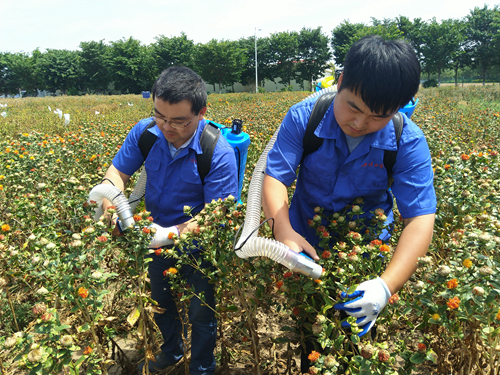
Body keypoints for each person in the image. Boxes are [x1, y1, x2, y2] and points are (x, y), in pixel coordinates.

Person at [262, 35, 436, 371]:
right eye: (352, 107)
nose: (358, 123)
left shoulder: (407, 141)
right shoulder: (304, 118)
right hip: (305, 245)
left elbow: (420, 218)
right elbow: (275, 178)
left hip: (366, 254)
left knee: (358, 341)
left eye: (377, 116)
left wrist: (385, 286)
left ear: (398, 108)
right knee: (310, 333)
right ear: (341, 82)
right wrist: (282, 230)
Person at [100, 66, 238, 375]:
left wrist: (168, 234)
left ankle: (202, 366)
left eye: (178, 121)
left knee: (201, 312)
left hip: (199, 246)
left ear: (201, 112)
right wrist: (112, 205)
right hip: (155, 239)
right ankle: (172, 351)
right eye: (160, 116)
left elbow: (215, 218)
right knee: (160, 301)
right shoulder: (146, 133)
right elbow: (117, 173)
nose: (167, 126)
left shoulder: (217, 153)